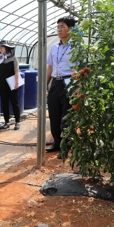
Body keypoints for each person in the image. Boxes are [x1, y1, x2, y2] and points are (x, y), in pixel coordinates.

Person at [46, 16, 77, 159]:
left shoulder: (77, 47)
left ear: (71, 29)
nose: (59, 29)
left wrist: (79, 88)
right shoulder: (54, 47)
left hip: (70, 82)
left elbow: (81, 69)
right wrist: (45, 85)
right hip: (56, 82)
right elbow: (50, 66)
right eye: (58, 27)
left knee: (67, 117)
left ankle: (66, 146)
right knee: (54, 114)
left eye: (62, 26)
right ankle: (57, 143)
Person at [0, 40, 21, 130]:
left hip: (12, 84)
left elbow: (16, 71)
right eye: (0, 47)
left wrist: (17, 82)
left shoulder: (14, 58)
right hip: (2, 84)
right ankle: (6, 122)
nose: (1, 48)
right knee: (5, 103)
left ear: (6, 48)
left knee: (15, 103)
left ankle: (17, 122)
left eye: (2, 47)